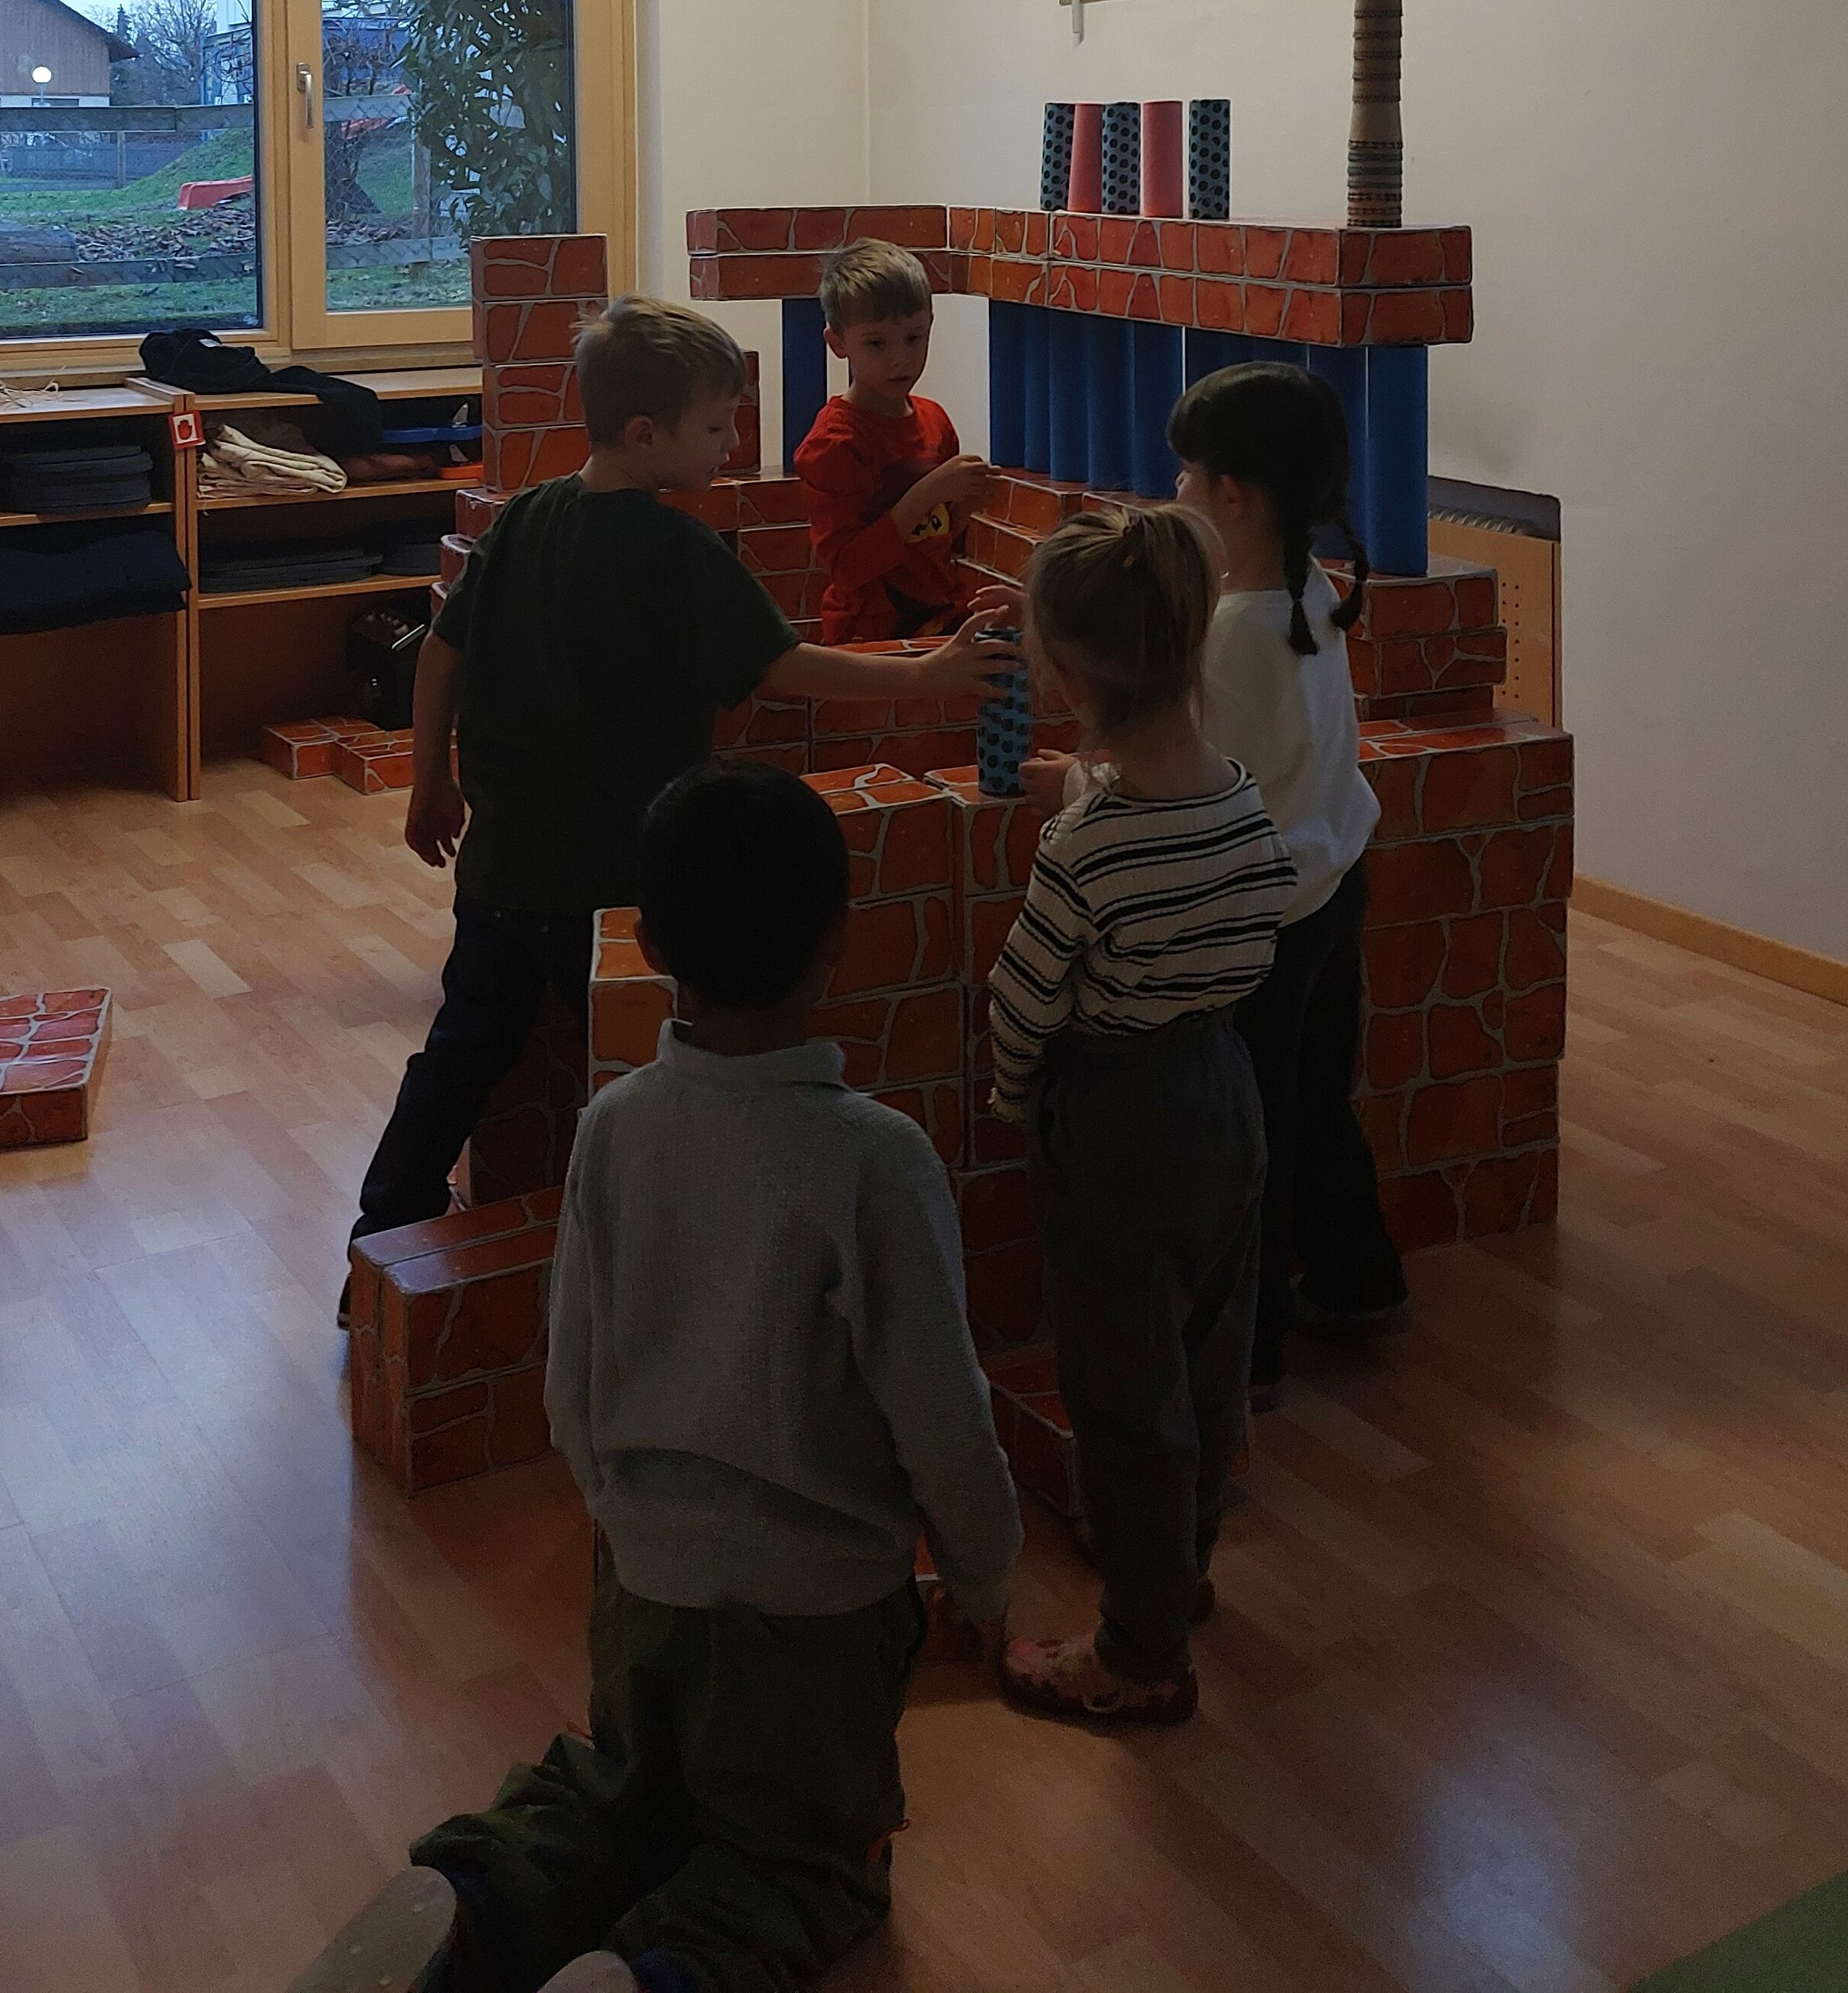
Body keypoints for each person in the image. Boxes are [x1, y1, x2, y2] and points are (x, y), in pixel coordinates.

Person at [401, 761, 1024, 1993]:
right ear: (835, 938)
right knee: (801, 1864)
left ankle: (465, 1903)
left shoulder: (614, 1127)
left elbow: (572, 1378)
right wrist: (983, 1575)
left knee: (620, 1796)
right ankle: (652, 1978)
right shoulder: (876, 1161)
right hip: (815, 1623)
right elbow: (943, 1416)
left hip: (642, 1587)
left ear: (647, 941)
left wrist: (629, 1516)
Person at [345, 296, 1019, 1292]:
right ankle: (661, 1258)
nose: (732, 444)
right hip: (619, 881)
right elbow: (783, 668)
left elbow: (441, 653)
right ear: (645, 434)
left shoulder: (528, 517)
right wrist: (927, 678)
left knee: (458, 1054)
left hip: (501, 872)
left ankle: (375, 1246)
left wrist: (431, 779)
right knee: (645, 1068)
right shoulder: (675, 550)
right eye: (715, 426)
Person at [1025, 363, 1411, 1415]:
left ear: (1232, 494)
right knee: (1317, 1103)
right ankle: (1359, 1278)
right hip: (1332, 879)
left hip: (1265, 920)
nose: (1176, 491)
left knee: (1259, 1136)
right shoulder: (1310, 586)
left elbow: (1186, 782)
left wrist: (1074, 782)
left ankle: (1255, 1352)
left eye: (1186, 476)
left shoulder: (1237, 632)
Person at [986, 508, 1295, 1727]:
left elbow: (1022, 1000)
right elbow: (1259, 930)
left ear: (1067, 676)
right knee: (1208, 1368)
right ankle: (1181, 1573)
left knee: (1122, 1395)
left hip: (1115, 1119)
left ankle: (1139, 1652)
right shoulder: (1239, 802)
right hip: (1224, 1091)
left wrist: (1017, 1096)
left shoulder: (1084, 846)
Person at [792, 240, 993, 644]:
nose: (900, 358)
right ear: (838, 344)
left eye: (914, 338)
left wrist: (968, 505)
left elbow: (936, 541)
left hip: (936, 615)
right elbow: (847, 568)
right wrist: (931, 490)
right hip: (867, 635)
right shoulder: (834, 443)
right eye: (877, 343)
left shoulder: (935, 421)